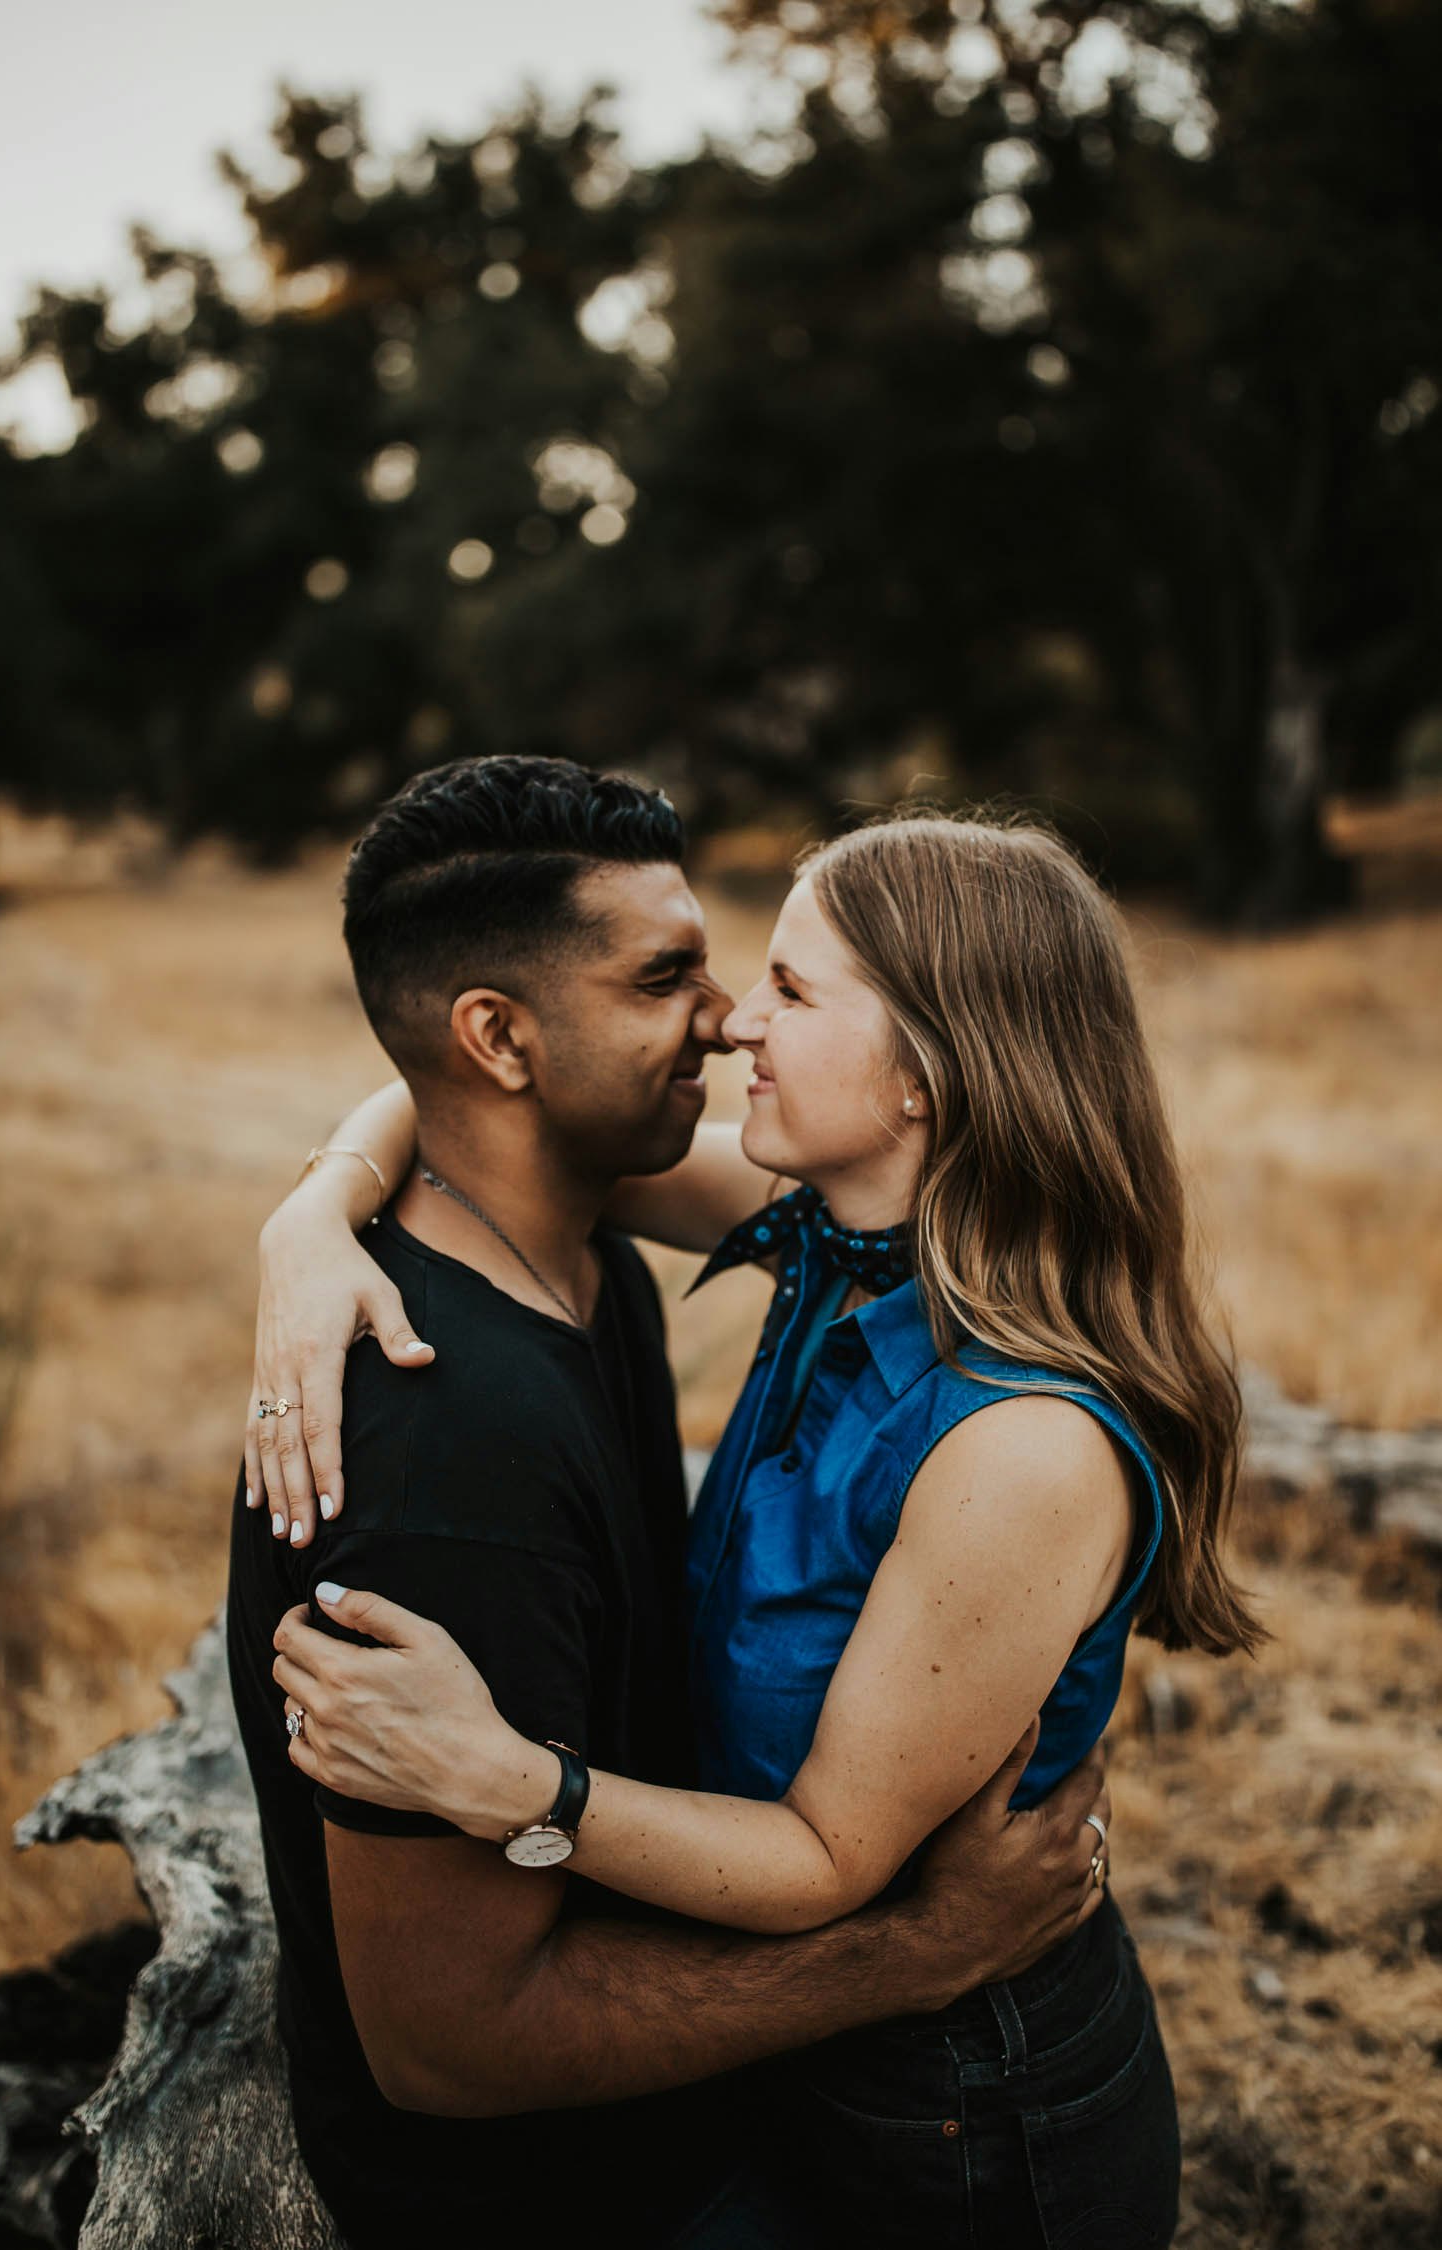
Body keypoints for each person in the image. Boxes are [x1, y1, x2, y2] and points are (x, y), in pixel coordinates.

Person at [253, 768, 1264, 2247]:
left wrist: (514, 1782)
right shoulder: (823, 1234)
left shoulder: (1021, 1447)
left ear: (924, 1069)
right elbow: (488, 1090)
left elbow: (826, 1860)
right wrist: (312, 1217)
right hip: (795, 2033)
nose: (736, 1019)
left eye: (790, 985)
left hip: (973, 2109)